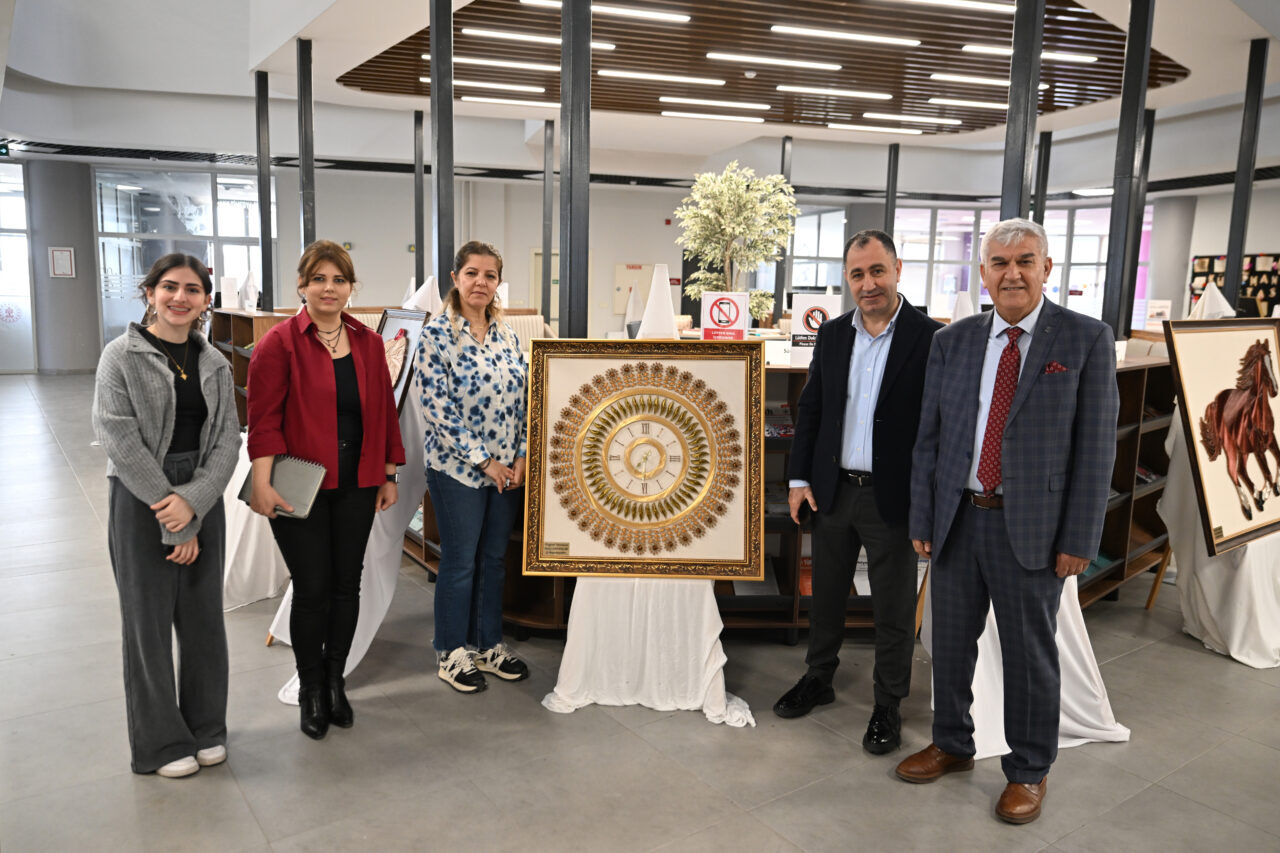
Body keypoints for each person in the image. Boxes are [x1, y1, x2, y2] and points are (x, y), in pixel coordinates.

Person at [897, 218, 1119, 824]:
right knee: (948, 644)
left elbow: (1096, 449)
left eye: (1025, 261)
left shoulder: (1086, 339)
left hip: (1034, 531)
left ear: (1047, 268)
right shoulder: (954, 340)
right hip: (957, 521)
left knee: (1028, 656)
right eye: (999, 263)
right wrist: (924, 515)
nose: (1012, 273)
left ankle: (1028, 770)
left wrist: (1080, 538)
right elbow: (929, 439)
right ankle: (952, 742)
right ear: (984, 273)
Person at [775, 230, 942, 755]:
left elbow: (939, 427)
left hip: (894, 498)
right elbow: (812, 410)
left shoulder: (930, 338)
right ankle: (818, 677)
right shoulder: (832, 335)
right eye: (857, 274)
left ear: (897, 269)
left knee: (892, 608)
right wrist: (799, 480)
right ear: (847, 280)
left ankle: (888, 702)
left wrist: (929, 503)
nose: (868, 284)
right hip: (833, 491)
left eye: (877, 271)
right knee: (825, 595)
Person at [247, 240, 404, 740]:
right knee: (312, 588)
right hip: (300, 484)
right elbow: (264, 420)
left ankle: (336, 681)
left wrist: (388, 473)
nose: (329, 288)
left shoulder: (367, 342)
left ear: (351, 287)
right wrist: (261, 483)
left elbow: (383, 411)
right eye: (319, 279)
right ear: (302, 285)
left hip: (357, 481)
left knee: (346, 585)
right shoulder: (279, 343)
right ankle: (311, 688)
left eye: (338, 280)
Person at [92, 254, 241, 778]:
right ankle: (160, 743)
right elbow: (119, 438)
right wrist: (173, 515)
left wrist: (195, 503)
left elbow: (227, 440)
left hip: (201, 488)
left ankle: (206, 728)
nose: (181, 298)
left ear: (205, 300)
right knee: (148, 625)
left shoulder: (215, 362)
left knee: (204, 622)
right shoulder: (120, 356)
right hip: (141, 493)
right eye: (170, 287)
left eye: (193, 289)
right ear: (150, 293)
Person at [415, 240, 530, 693]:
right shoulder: (436, 335)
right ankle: (450, 650)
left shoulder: (508, 335)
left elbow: (526, 397)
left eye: (489, 275)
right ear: (455, 278)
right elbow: (437, 409)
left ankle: (487, 645)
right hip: (458, 469)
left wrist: (521, 454)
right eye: (472, 273)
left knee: (494, 559)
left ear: (498, 282)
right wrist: (485, 461)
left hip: (507, 470)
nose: (480, 282)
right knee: (461, 561)